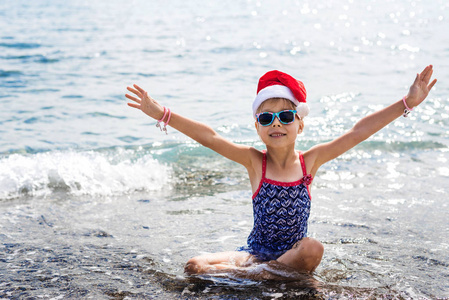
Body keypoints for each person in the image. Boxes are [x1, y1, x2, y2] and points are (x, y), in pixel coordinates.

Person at [125, 65, 437, 277]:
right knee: (194, 265)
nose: (276, 123)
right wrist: (161, 113)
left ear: (299, 123)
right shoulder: (254, 162)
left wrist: (406, 104)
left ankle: (259, 277)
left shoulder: (310, 161)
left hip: (294, 255)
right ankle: (263, 275)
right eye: (266, 118)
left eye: (286, 116)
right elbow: (210, 137)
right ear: (257, 126)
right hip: (254, 254)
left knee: (312, 248)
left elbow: (357, 133)